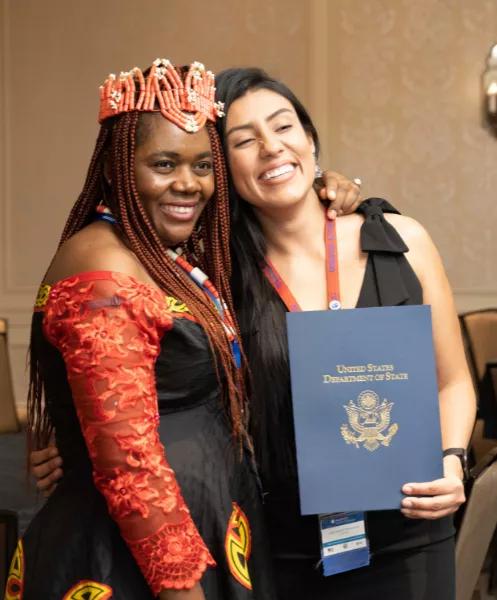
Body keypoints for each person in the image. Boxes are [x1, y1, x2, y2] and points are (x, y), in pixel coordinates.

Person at [12, 60, 360, 600]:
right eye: (164, 163)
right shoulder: (101, 267)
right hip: (132, 565)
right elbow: (130, 466)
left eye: (202, 166)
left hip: (212, 533)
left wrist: (326, 184)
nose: (187, 183)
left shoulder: (168, 252)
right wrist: (180, 587)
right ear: (117, 168)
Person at [211, 67, 476, 599]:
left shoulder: (401, 241)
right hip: (282, 546)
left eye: (283, 127)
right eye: (244, 141)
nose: (270, 147)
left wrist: (452, 460)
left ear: (309, 140)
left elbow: (453, 383)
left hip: (409, 532)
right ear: (223, 166)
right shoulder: (219, 275)